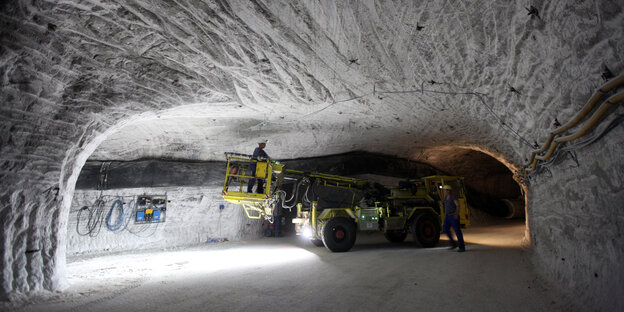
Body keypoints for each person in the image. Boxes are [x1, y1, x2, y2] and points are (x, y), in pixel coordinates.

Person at [442, 185, 465, 252]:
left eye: (445, 190)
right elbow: (446, 206)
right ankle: (453, 244)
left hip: (453, 216)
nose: (444, 191)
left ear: (448, 191)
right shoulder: (445, 198)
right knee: (445, 229)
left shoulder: (453, 197)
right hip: (448, 216)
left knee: (457, 231)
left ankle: (462, 247)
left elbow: (458, 205)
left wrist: (456, 214)